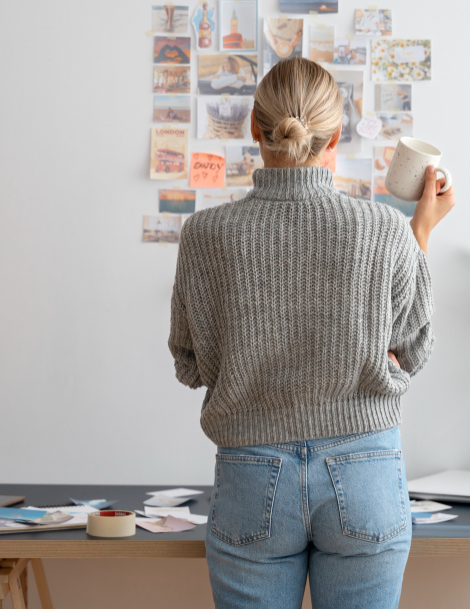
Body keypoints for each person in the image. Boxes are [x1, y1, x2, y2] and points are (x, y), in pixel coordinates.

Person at [168, 57, 455, 609]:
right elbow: (414, 351)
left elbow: (190, 366)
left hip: (251, 474)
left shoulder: (204, 234)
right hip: (365, 470)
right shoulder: (386, 230)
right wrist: (419, 231)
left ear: (254, 128)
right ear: (337, 134)